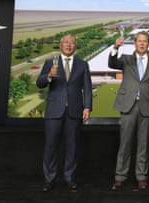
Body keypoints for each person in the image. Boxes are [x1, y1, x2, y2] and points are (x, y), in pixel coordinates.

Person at [109, 31, 149, 190]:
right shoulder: (126, 59)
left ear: (148, 44)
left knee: (143, 144)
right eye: (139, 41)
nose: (142, 44)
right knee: (125, 143)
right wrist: (115, 47)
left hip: (146, 106)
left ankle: (141, 177)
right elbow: (112, 64)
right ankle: (120, 177)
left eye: (145, 41)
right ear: (135, 43)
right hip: (128, 105)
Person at [36, 34, 92, 192]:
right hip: (54, 112)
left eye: (72, 43)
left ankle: (69, 178)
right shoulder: (50, 63)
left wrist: (87, 107)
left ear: (76, 46)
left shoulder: (82, 65)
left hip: (74, 111)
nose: (69, 45)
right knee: (50, 146)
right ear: (61, 45)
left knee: (72, 147)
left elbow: (87, 88)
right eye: (66, 42)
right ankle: (49, 179)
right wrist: (48, 76)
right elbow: (40, 83)